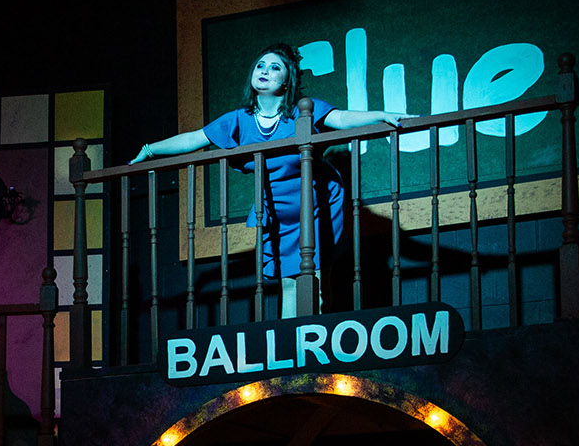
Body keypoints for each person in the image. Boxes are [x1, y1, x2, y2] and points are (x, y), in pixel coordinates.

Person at [122, 43, 415, 318]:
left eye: (275, 67)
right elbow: (194, 139)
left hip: (316, 203)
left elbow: (341, 118)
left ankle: (311, 344)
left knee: (311, 278)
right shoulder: (239, 119)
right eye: (260, 65)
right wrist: (149, 149)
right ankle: (292, 348)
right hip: (276, 209)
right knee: (287, 281)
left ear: (287, 81)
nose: (264, 71)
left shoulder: (303, 110)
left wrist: (382, 115)